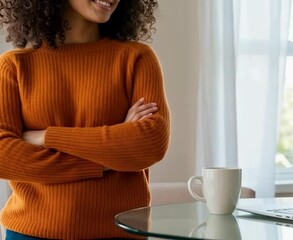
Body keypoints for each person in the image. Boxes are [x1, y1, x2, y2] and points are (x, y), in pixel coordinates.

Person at [0, 0, 170, 239]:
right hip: (30, 233)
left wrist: (45, 136)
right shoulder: (15, 66)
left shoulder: (136, 58)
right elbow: (4, 156)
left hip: (119, 233)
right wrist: (105, 160)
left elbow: (150, 144)